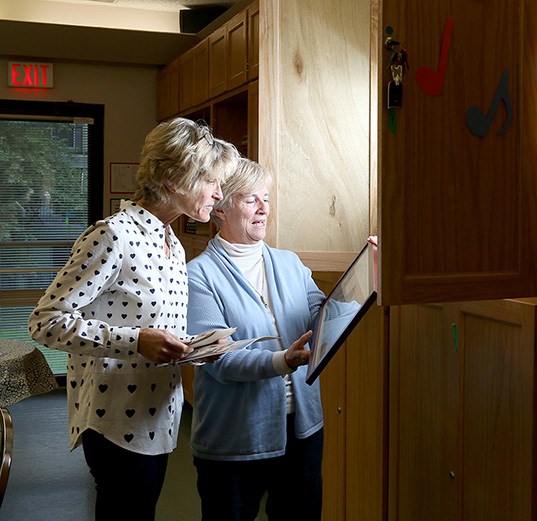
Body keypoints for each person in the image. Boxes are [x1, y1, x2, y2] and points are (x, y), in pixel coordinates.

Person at [28, 117, 240, 521]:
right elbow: (46, 321)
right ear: (177, 178)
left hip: (158, 416)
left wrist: (194, 349)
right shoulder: (112, 235)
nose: (219, 193)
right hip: (113, 420)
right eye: (212, 181)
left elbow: (155, 328)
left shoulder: (172, 242)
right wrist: (135, 341)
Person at [186, 157, 326, 521]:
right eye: (252, 200)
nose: (264, 208)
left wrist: (370, 275)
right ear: (222, 207)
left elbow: (323, 315)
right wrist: (282, 361)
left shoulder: (290, 263)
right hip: (235, 443)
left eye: (266, 198)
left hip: (303, 431)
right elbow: (217, 359)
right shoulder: (197, 276)